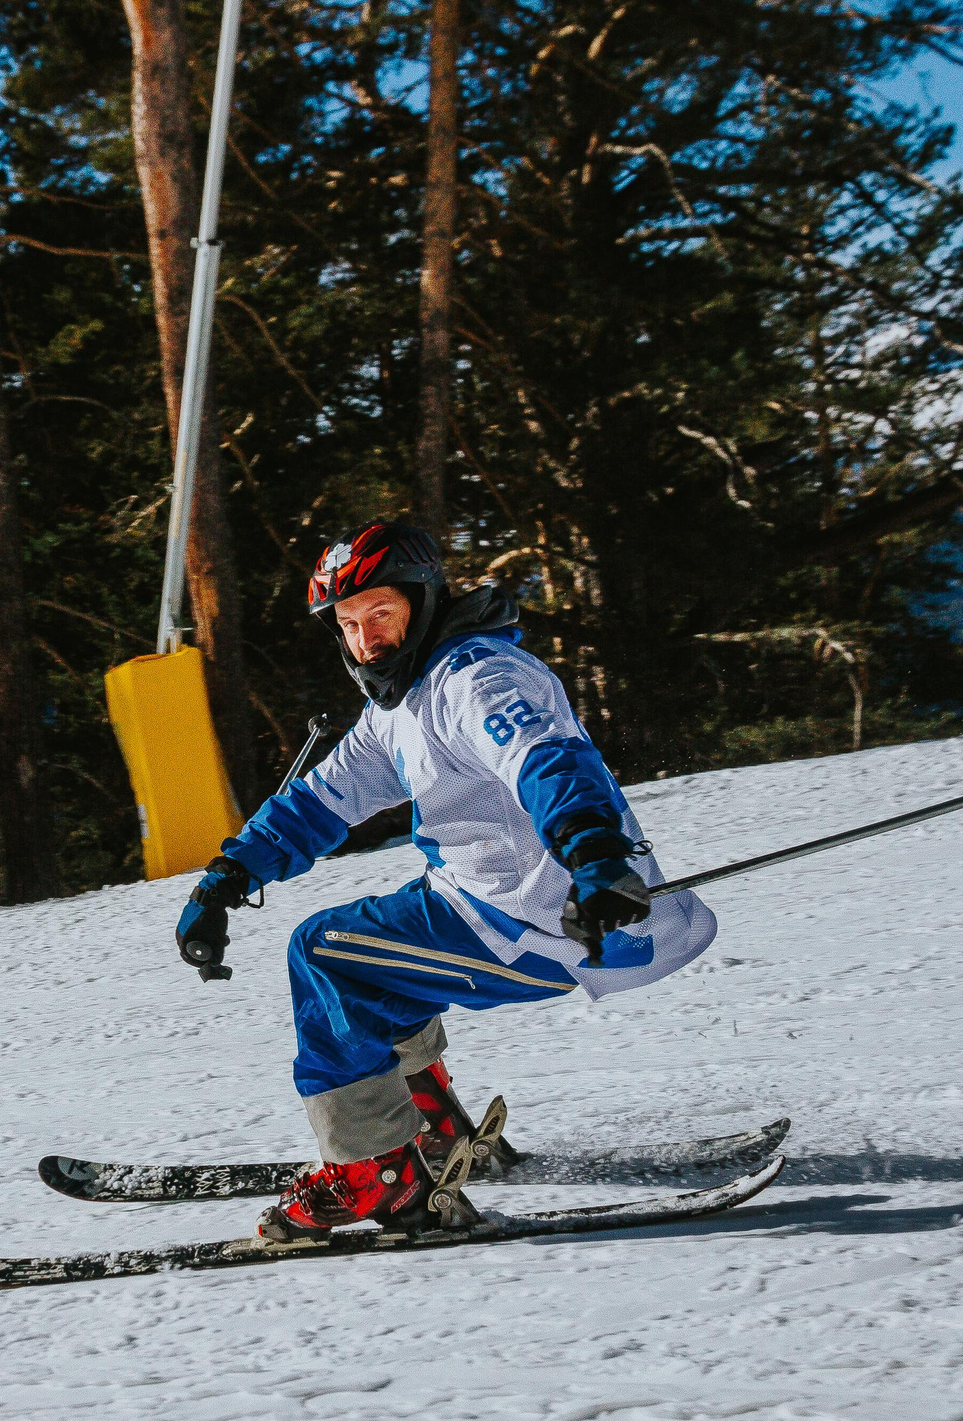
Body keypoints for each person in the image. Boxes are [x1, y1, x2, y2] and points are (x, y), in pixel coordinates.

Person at [175, 520, 716, 1243]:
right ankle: (431, 1126)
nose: (366, 640)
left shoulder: (477, 679)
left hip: (553, 919)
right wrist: (226, 878)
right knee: (376, 951)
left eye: (381, 614)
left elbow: (547, 760)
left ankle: (376, 1175)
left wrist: (595, 858)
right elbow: (322, 800)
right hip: (493, 906)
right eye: (349, 625)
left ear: (424, 600)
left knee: (325, 955)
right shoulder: (402, 702)